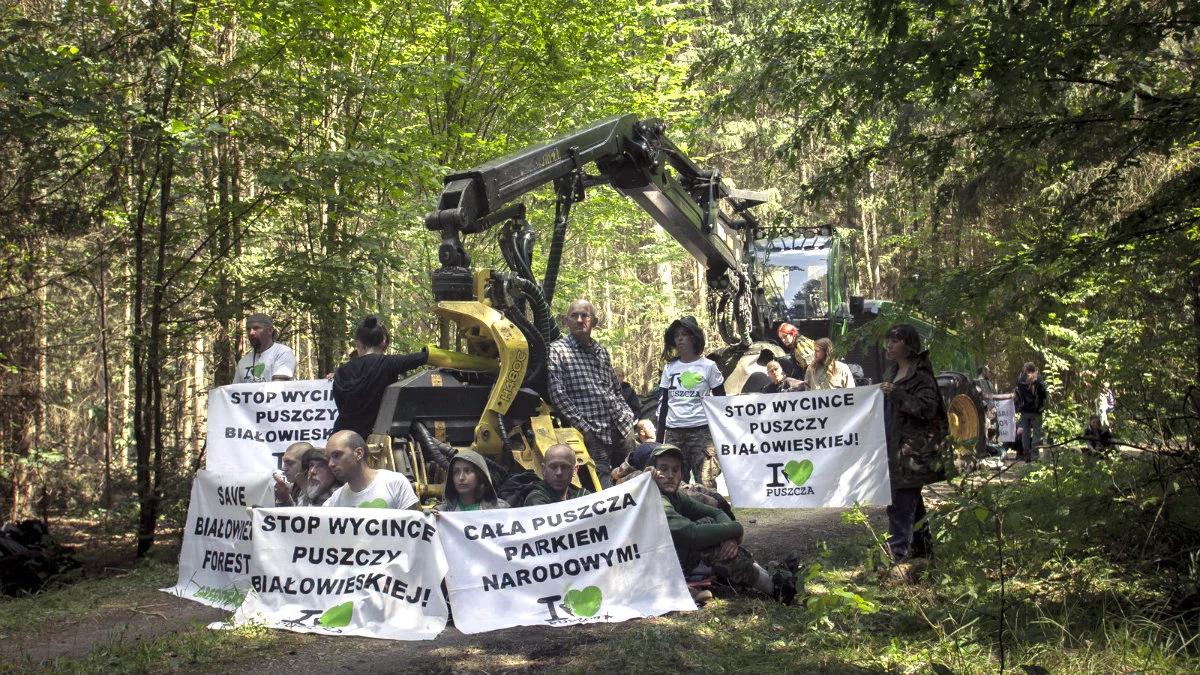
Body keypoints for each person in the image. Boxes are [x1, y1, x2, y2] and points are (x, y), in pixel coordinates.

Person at [650, 444, 797, 604]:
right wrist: (736, 529)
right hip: (653, 569)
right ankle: (777, 587)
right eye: (663, 469)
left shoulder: (676, 496)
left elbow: (717, 512)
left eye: (675, 470)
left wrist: (730, 538)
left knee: (712, 527)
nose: (670, 475)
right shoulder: (653, 496)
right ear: (651, 471)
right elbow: (692, 534)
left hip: (673, 558)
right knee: (713, 547)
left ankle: (774, 577)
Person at [547, 299, 637, 488]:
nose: (580, 320)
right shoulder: (558, 350)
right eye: (574, 316)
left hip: (621, 427)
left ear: (594, 322)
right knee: (602, 486)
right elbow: (558, 395)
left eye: (585, 315)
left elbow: (615, 388)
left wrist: (627, 417)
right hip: (593, 431)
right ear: (566, 321)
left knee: (634, 477)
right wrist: (584, 428)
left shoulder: (601, 351)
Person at [879, 324, 947, 561]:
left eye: (895, 341)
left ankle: (897, 556)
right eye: (889, 340)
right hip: (894, 449)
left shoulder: (921, 375)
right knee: (912, 503)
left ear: (908, 346)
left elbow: (928, 409)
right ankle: (925, 552)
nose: (889, 345)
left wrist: (897, 394)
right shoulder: (891, 372)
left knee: (900, 503)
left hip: (913, 451)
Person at [332, 316, 429, 440]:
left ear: (358, 343)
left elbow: (340, 405)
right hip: (374, 441)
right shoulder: (388, 364)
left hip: (341, 437)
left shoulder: (341, 372)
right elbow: (422, 357)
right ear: (383, 341)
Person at [656, 316, 725, 486]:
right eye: (676, 335)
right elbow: (664, 404)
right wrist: (658, 441)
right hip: (674, 432)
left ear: (693, 337)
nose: (679, 339)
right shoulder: (669, 367)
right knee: (674, 483)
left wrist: (724, 433)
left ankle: (710, 513)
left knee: (706, 482)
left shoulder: (708, 366)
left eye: (684, 334)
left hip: (701, 432)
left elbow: (722, 402)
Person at [323, 430, 419, 509]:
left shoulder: (395, 483)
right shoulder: (335, 500)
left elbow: (415, 527)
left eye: (337, 455)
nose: (330, 464)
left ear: (359, 453)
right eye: (328, 458)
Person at [437, 450, 510, 512]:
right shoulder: (442, 512)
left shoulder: (501, 510)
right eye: (456, 472)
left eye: (467, 471)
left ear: (480, 475)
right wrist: (429, 519)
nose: (461, 477)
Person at [234, 313, 296, 383]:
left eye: (256, 328)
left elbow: (280, 387)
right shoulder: (243, 362)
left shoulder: (282, 353)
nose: (251, 333)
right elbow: (235, 391)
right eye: (248, 329)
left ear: (270, 330)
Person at [523, 444, 591, 506]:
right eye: (553, 467)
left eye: (565, 467)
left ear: (575, 470)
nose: (559, 473)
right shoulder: (536, 499)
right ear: (543, 469)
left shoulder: (583, 496)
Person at [1014, 362, 1049, 462]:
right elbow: (1044, 396)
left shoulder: (1021, 380)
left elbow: (1018, 395)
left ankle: (1027, 456)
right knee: (1037, 433)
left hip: (1025, 411)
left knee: (1025, 433)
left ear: (1025, 369)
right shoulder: (1039, 380)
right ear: (1034, 369)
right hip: (1037, 412)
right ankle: (1035, 457)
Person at [273, 442, 314, 506]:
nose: (284, 468)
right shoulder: (292, 489)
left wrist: (286, 500)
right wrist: (284, 499)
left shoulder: (322, 491)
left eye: (290, 463)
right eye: (284, 462)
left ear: (306, 464)